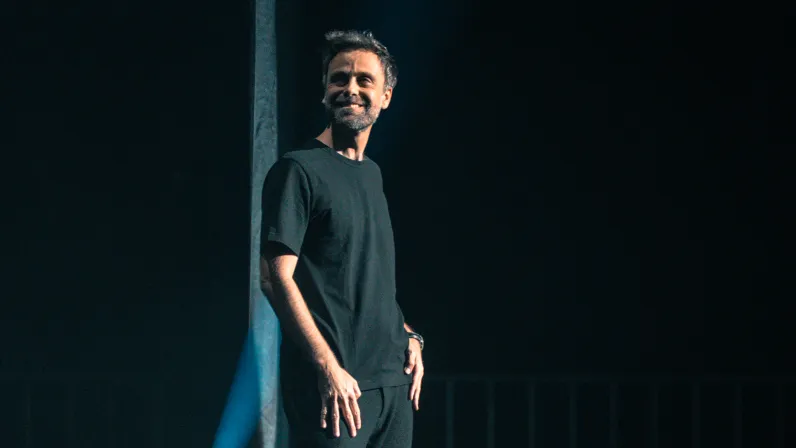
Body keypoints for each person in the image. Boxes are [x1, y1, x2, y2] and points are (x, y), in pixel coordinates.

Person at [259, 30, 424, 448]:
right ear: (325, 91)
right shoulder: (298, 170)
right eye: (339, 78)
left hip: (392, 386)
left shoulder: (372, 173)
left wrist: (410, 336)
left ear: (386, 95)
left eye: (364, 80)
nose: (350, 89)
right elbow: (274, 278)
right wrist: (327, 366)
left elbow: (369, 280)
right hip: (336, 389)